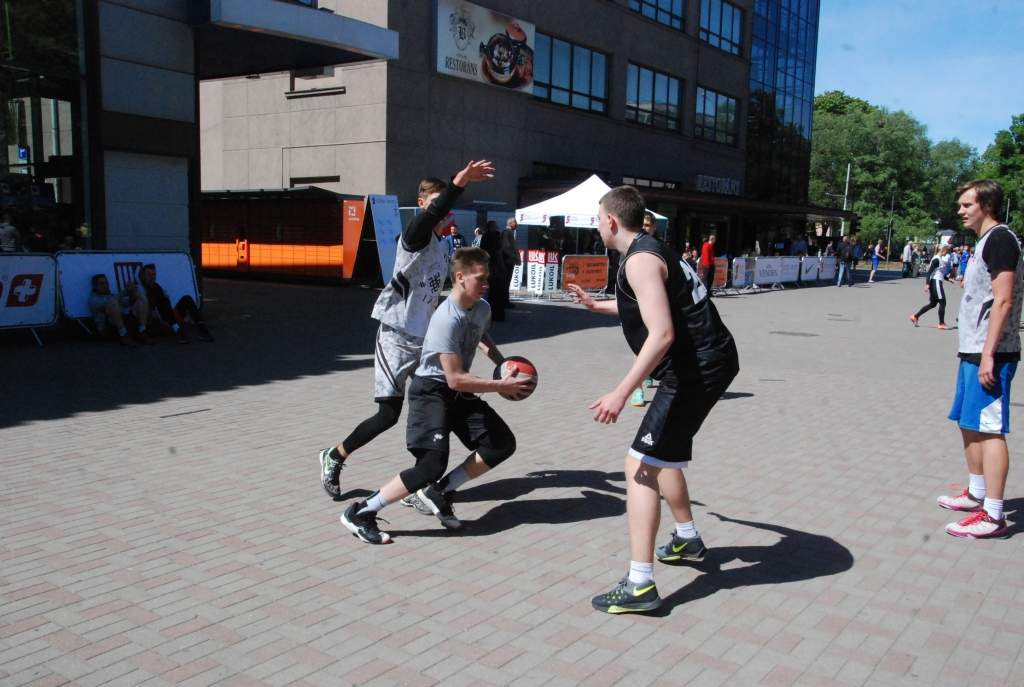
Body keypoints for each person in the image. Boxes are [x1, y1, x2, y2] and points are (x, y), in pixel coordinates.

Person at [567, 186, 739, 614]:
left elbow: (661, 334)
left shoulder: (640, 260)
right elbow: (649, 304)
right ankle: (688, 539)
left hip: (695, 369)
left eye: (598, 219)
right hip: (707, 362)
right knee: (663, 456)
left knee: (640, 465)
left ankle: (640, 585)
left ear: (611, 221)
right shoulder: (649, 249)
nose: (597, 225)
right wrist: (598, 306)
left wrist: (621, 392)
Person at [318, 161, 495, 500]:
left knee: (439, 402)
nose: (441, 210)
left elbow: (444, 299)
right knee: (388, 415)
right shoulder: (414, 236)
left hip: (424, 338)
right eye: (435, 203)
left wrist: (485, 346)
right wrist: (459, 183)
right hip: (396, 335)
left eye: (444, 204)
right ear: (421, 202)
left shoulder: (442, 247)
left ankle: (423, 479)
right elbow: (431, 215)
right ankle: (335, 455)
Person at [339, 247, 533, 544]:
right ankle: (360, 512)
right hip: (431, 392)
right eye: (480, 278)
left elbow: (479, 334)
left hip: (458, 392)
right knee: (430, 466)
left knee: (500, 443)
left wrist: (502, 363)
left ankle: (438, 492)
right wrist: (500, 386)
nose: (486, 284)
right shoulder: (445, 318)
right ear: (460, 277)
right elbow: (455, 379)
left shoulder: (481, 307)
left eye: (487, 278)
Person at [937, 179, 1023, 538]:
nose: (960, 211)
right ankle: (976, 493)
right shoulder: (985, 241)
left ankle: (994, 514)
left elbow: (1003, 299)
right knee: (967, 422)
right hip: (973, 349)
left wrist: (989, 354)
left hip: (993, 353)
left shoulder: (1001, 239)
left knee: (989, 430)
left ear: (986, 205)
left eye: (967, 205)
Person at [137, 263, 214, 343]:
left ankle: (202, 330)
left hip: (168, 318)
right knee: (164, 302)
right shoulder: (140, 289)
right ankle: (177, 329)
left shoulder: (156, 287)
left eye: (154, 275)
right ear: (143, 276)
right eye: (149, 275)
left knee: (187, 299)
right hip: (155, 322)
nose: (152, 277)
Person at [631, 211, 661, 408]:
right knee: (639, 349)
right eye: (641, 225)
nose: (644, 228)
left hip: (656, 305)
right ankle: (637, 389)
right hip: (636, 305)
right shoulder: (631, 248)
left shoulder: (659, 248)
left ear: (654, 228)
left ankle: (649, 372)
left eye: (648, 225)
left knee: (655, 345)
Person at [87, 273, 149, 346]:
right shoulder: (93, 300)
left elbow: (128, 302)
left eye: (106, 283)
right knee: (113, 302)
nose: (105, 285)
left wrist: (132, 292)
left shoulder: (112, 296)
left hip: (123, 323)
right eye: (101, 283)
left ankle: (142, 331)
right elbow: (108, 303)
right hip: (108, 329)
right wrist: (124, 292)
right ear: (95, 286)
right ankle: (123, 335)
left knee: (141, 299)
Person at [910, 245, 953, 329]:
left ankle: (915, 316)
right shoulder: (936, 259)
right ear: (943, 251)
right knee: (943, 302)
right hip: (936, 283)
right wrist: (927, 284)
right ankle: (941, 323)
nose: (946, 255)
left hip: (936, 282)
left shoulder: (939, 259)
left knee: (933, 304)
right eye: (947, 253)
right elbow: (929, 272)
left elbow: (939, 272)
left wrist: (948, 279)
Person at [479, 220, 508, 321]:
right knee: (497, 291)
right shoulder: (496, 236)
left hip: (487, 265)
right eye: (496, 226)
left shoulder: (484, 236)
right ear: (493, 227)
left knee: (488, 292)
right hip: (496, 267)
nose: (497, 227)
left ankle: (488, 314)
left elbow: (482, 251)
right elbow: (498, 252)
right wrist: (502, 266)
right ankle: (498, 315)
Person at [501, 217, 521, 308]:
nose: (517, 224)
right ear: (510, 223)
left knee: (507, 282)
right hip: (507, 262)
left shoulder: (509, 233)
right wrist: (514, 257)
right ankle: (504, 302)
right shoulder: (506, 232)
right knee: (505, 282)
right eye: (515, 222)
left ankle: (505, 301)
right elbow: (506, 248)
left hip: (509, 261)